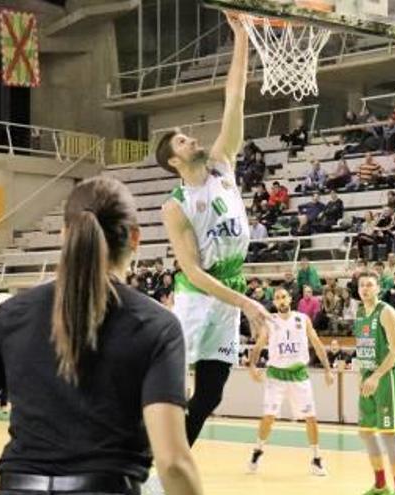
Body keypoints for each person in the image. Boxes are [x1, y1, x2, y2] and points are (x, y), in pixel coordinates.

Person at [0, 178, 204, 495]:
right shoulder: (157, 325)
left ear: (63, 237)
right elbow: (173, 464)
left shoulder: (11, 315)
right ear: (135, 238)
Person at [154, 13, 271, 451]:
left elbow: (234, 98)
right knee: (165, 391)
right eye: (182, 142)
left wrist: (240, 36)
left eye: (188, 136)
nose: (191, 140)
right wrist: (246, 302)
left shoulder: (223, 164)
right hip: (197, 299)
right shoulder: (176, 205)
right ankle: (142, 460)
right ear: (173, 162)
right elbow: (194, 271)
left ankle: (168, 467)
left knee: (210, 393)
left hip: (228, 292)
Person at [247, 287, 334, 476]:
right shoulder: (269, 321)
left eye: (284, 297)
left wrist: (328, 369)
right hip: (276, 375)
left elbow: (317, 343)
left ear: (290, 299)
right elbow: (259, 345)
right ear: (275, 302)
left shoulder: (302, 319)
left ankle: (316, 458)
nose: (281, 300)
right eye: (277, 298)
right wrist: (252, 367)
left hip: (299, 375)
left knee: (311, 418)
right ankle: (258, 450)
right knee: (269, 417)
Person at [354, 271, 395, 495]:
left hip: (385, 379)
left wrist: (376, 376)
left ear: (378, 288)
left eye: (369, 285)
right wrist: (362, 376)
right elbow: (363, 347)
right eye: (362, 285)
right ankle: (380, 485)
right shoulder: (359, 312)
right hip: (368, 377)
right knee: (366, 432)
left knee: (388, 435)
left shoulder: (386, 312)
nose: (365, 289)